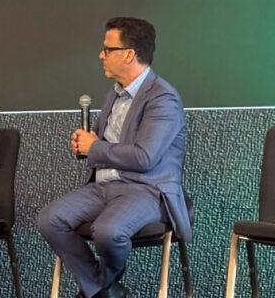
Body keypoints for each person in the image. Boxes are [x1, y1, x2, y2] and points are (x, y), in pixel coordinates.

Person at [36, 17, 191, 298]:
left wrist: (94, 147)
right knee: (50, 219)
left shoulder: (162, 99)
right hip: (103, 186)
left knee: (107, 231)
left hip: (147, 189)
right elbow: (102, 143)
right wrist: (84, 143)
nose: (101, 55)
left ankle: (99, 288)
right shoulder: (114, 95)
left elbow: (144, 157)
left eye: (108, 49)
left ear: (129, 54)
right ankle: (104, 290)